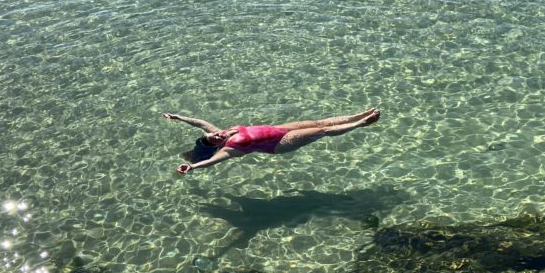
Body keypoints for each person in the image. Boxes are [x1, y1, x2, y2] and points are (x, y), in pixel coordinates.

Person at [163, 107, 381, 175]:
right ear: (216, 146)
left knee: (318, 121)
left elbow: (199, 122)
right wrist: (192, 166)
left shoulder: (221, 132)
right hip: (280, 143)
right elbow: (213, 162)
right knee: (321, 130)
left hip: (278, 129)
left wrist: (178, 117)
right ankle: (361, 124)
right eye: (214, 139)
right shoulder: (230, 148)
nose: (215, 135)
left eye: (212, 135)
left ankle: (357, 116)